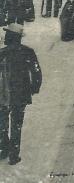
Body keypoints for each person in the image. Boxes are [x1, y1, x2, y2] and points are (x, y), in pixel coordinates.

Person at [0, 23, 42, 165]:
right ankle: (13, 154)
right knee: (16, 124)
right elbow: (36, 71)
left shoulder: (2, 53)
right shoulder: (27, 52)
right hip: (21, 94)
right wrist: (35, 87)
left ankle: (4, 148)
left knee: (2, 122)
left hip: (4, 95)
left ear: (11, 37)